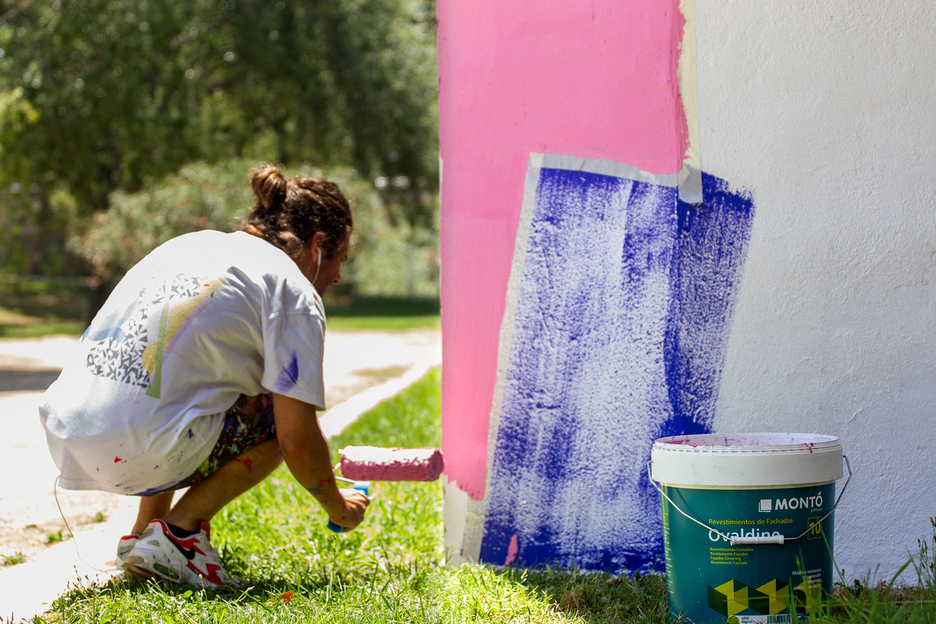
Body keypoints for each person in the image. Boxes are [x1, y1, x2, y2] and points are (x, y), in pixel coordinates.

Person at [39, 164, 370, 589]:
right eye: (339, 259)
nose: (338, 276)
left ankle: (144, 533)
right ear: (318, 245)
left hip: (71, 430)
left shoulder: (191, 245)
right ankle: (178, 533)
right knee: (280, 410)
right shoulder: (292, 290)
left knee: (182, 379)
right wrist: (339, 508)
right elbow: (295, 439)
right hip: (138, 448)